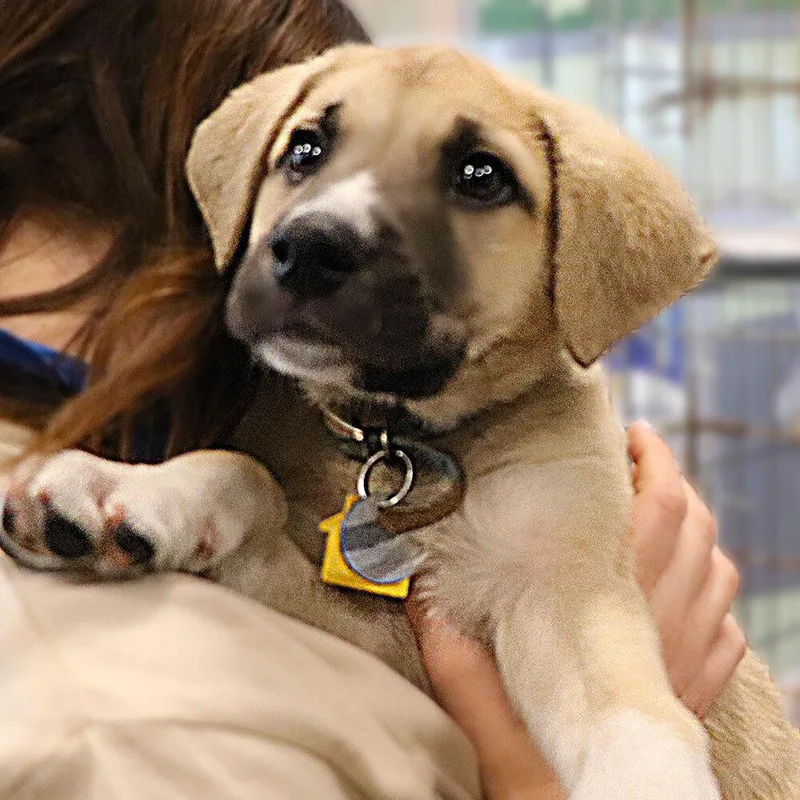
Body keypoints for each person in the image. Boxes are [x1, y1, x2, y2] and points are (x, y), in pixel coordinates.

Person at [0, 2, 745, 797]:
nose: (322, 226)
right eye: (309, 151)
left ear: (581, 252)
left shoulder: (554, 443)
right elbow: (355, 644)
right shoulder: (264, 422)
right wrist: (226, 500)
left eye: (476, 178)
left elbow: (577, 641)